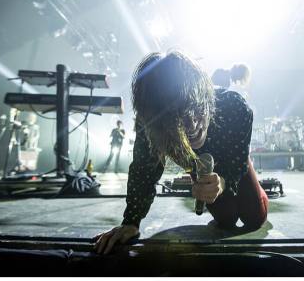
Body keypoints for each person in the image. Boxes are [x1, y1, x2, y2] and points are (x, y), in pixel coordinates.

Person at [95, 51, 268, 254]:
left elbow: (236, 163)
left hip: (231, 159)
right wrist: (131, 222)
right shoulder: (150, 123)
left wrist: (223, 181)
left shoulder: (234, 106)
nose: (193, 125)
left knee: (255, 216)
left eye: (196, 111)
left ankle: (253, 189)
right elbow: (144, 171)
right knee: (226, 218)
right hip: (197, 164)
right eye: (178, 120)